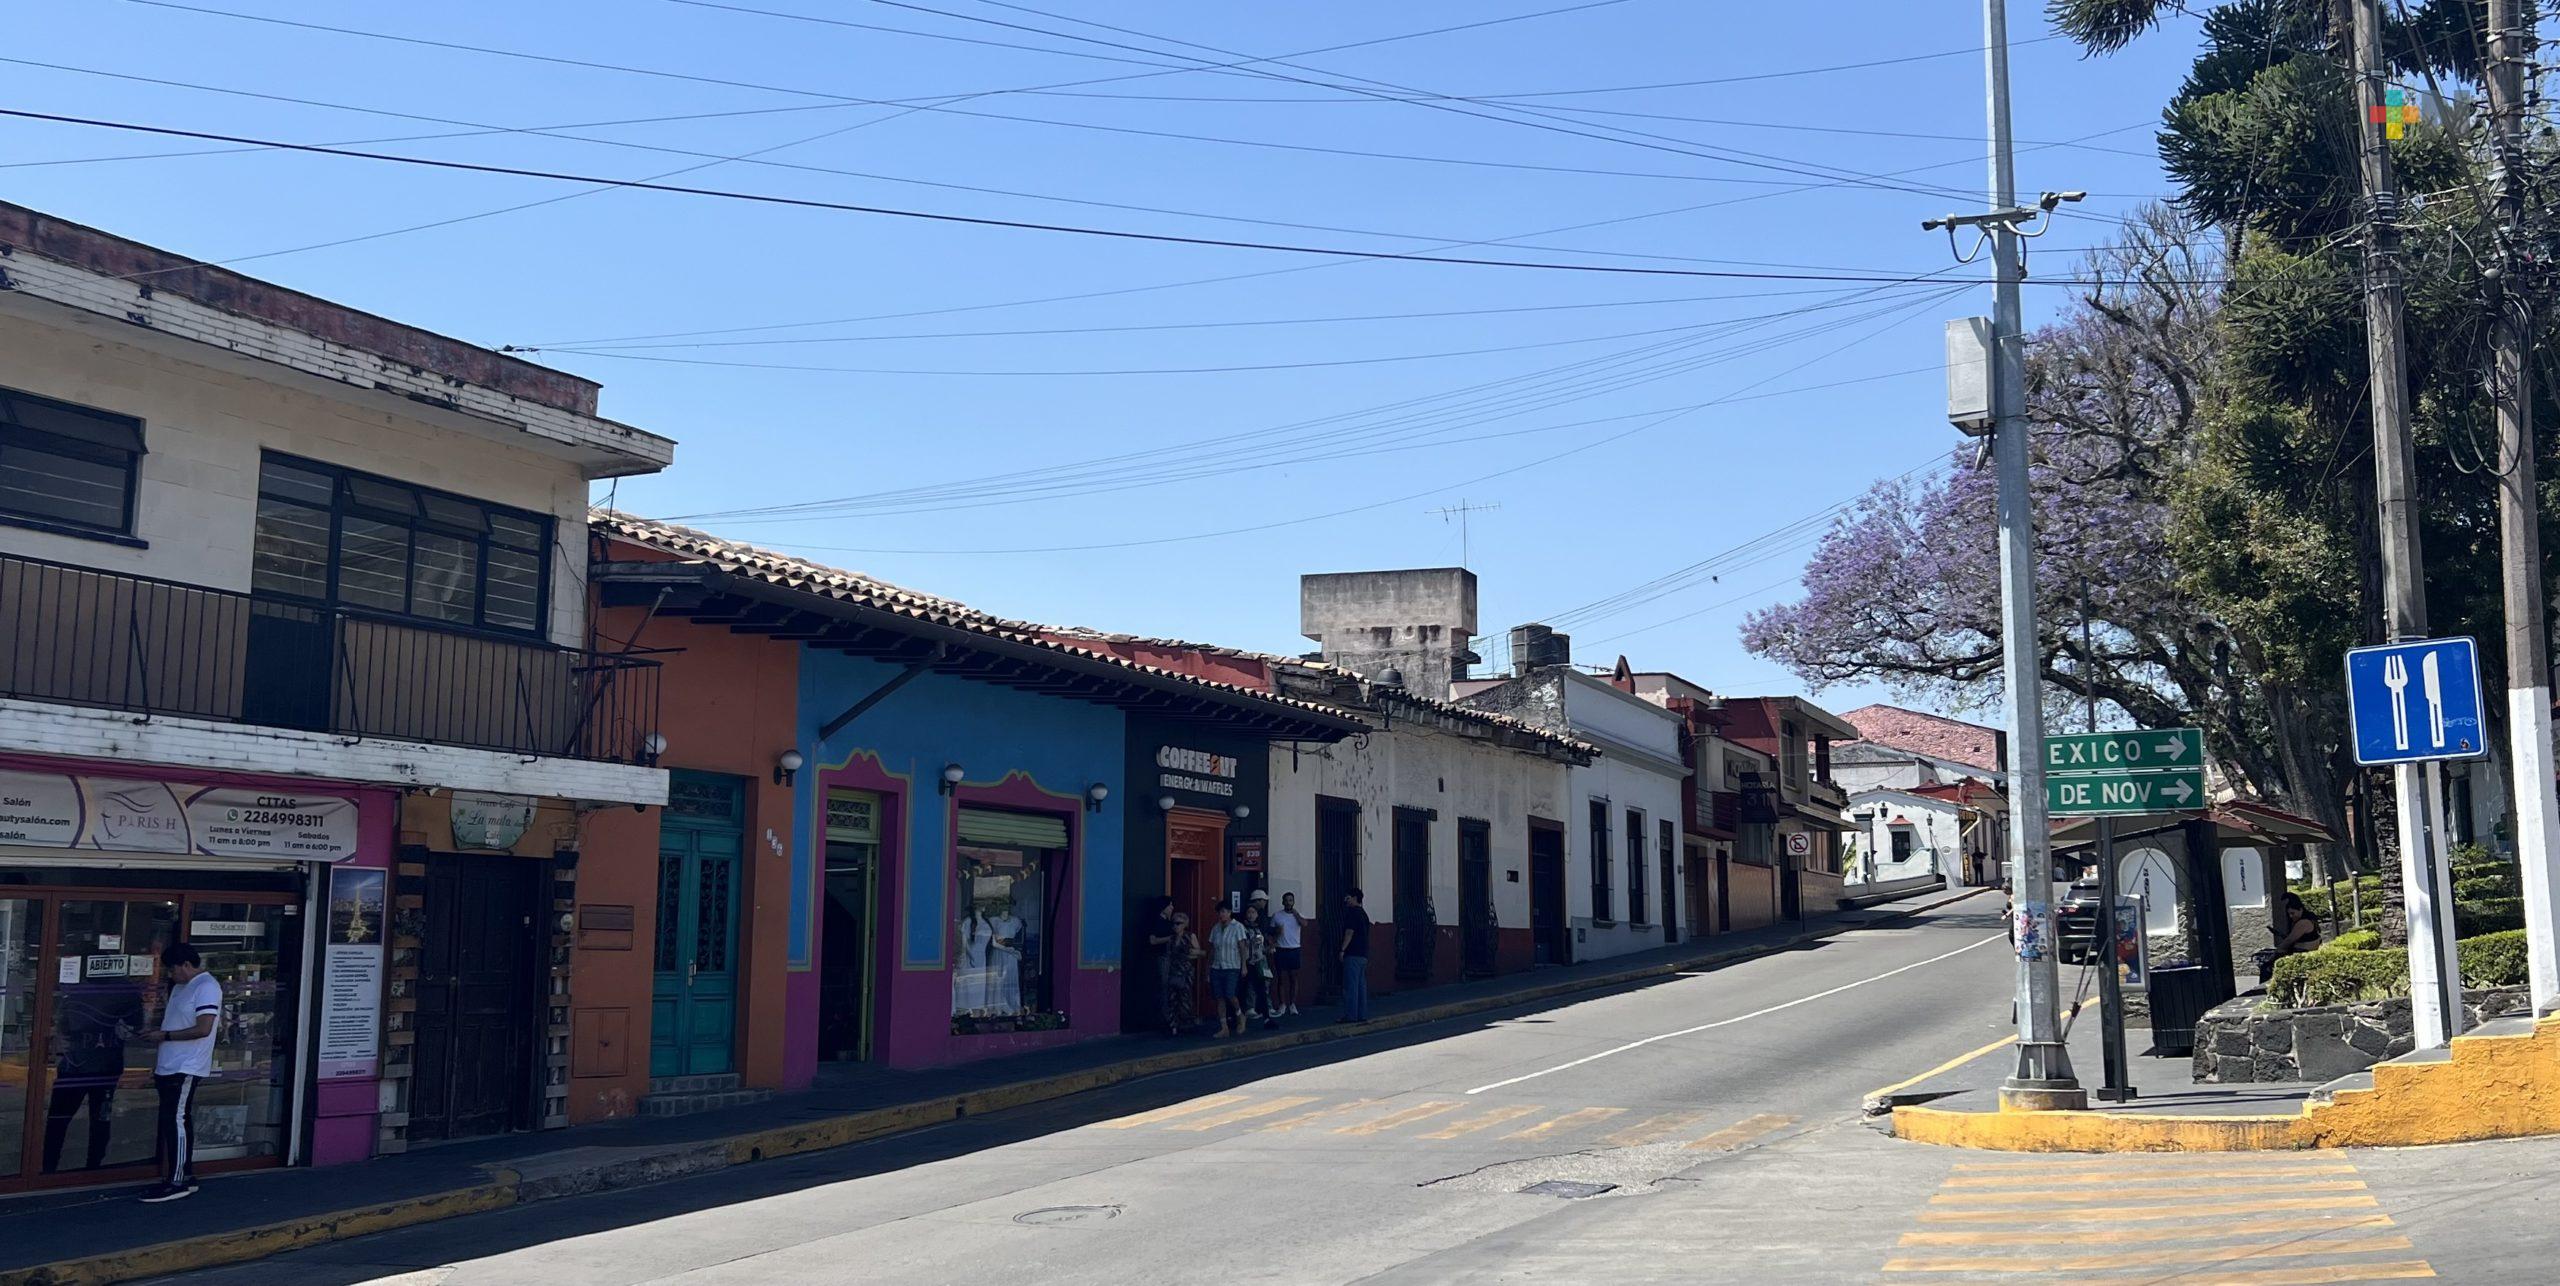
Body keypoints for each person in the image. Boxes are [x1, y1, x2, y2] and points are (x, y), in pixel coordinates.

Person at [140, 941, 221, 1202]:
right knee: (175, 1118)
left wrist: (165, 1035)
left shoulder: (207, 987)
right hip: (169, 1062)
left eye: (173, 969)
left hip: (186, 1064)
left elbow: (203, 1028)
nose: (170, 975)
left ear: (186, 965)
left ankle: (177, 1181)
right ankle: (185, 1174)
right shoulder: (180, 987)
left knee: (175, 1118)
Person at [43, 971, 142, 1173]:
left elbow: (65, 1025)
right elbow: (135, 1026)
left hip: (79, 1064)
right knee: (99, 1119)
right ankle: (93, 1167)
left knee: (59, 1120)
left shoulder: (79, 988)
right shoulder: (125, 990)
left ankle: (49, 1168)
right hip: (104, 1065)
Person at [1205, 904, 1251, 1038]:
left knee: (1230, 994)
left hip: (1232, 966)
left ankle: (1239, 1015)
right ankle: (1224, 1027)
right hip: (1217, 966)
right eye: (1219, 912)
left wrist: (1244, 965)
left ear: (1230, 912)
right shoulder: (1216, 928)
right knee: (1219, 997)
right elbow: (1212, 950)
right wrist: (1208, 970)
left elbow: (1242, 947)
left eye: (1224, 912)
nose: (1221, 915)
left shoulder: (1238, 927)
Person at [1161, 912, 1201, 1036]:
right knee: (1172, 998)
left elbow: (1199, 952)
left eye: (1179, 923)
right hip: (1173, 970)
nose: (1176, 926)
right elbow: (1168, 955)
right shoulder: (1171, 939)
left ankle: (1186, 1022)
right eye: (1174, 923)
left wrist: (1189, 954)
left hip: (1185, 972)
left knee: (1185, 997)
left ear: (1185, 924)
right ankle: (1173, 1025)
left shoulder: (1190, 936)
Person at [1238, 901, 1276, 1028]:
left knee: (1261, 990)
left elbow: (1261, 946)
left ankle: (1266, 1018)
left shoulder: (1258, 928)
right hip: (1245, 962)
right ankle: (1239, 1016)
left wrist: (1268, 949)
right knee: (1242, 990)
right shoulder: (1241, 929)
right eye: (1248, 912)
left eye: (1253, 912)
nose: (1250, 915)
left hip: (1258, 962)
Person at [1337, 889, 1372, 1024]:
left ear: (1355, 898)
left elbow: (1349, 933)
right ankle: (1361, 1014)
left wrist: (1342, 949)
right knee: (1361, 986)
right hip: (1363, 954)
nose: (1346, 900)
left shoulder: (1352, 914)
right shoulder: (1364, 914)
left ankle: (1351, 1015)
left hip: (1352, 954)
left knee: (1350, 986)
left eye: (1348, 897)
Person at [1270, 891, 1307, 1016]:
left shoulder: (1298, 915)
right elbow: (1271, 932)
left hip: (1294, 948)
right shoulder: (1277, 916)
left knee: (1293, 977)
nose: (1288, 902)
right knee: (1281, 978)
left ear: (1293, 901)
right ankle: (1282, 1004)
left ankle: (1292, 1004)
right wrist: (1276, 933)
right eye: (1286, 900)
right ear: (1282, 902)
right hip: (1281, 949)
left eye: (1291, 900)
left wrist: (1296, 915)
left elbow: (1304, 924)